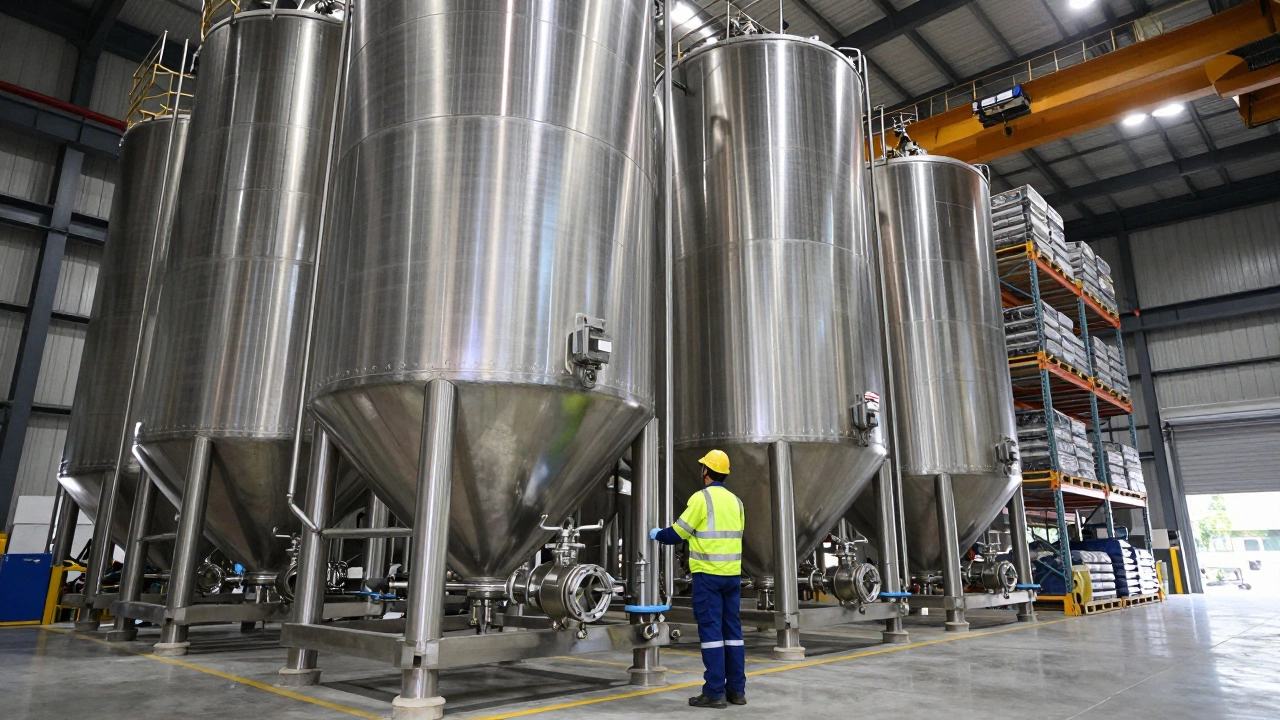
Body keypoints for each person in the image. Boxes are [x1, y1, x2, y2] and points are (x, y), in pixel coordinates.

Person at [650, 449, 746, 708]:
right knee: (733, 633)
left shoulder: (701, 499)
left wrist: (657, 534)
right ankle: (736, 691)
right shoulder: (736, 501)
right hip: (732, 577)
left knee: (712, 633)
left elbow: (678, 533)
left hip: (708, 577)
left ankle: (714, 693)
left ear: (705, 471)